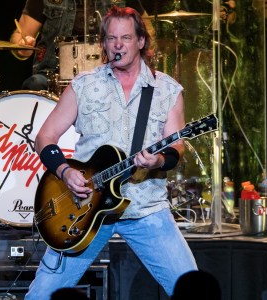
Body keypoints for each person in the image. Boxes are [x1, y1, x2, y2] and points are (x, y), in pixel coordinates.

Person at [25, 5, 198, 299]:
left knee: (193, 291)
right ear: (104, 43)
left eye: (126, 38)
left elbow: (176, 146)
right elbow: (45, 137)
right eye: (111, 38)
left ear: (141, 41)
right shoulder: (84, 86)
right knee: (40, 296)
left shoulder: (167, 90)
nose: (118, 45)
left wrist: (158, 159)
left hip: (146, 208)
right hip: (85, 210)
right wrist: (65, 172)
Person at [9, 0, 122, 91]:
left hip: (110, 72)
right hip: (52, 76)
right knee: (34, 84)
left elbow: (138, 31)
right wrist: (23, 45)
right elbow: (20, 35)